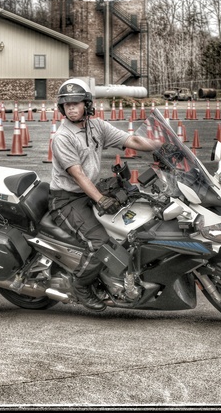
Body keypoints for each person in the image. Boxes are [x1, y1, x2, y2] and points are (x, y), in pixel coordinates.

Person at [48, 78, 162, 311]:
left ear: (87, 105)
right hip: (66, 199)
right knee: (99, 242)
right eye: (67, 104)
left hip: (88, 192)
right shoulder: (63, 137)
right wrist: (100, 199)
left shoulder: (96, 126)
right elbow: (78, 175)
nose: (71, 108)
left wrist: (161, 146)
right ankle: (80, 285)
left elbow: (131, 139)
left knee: (131, 224)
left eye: (76, 103)